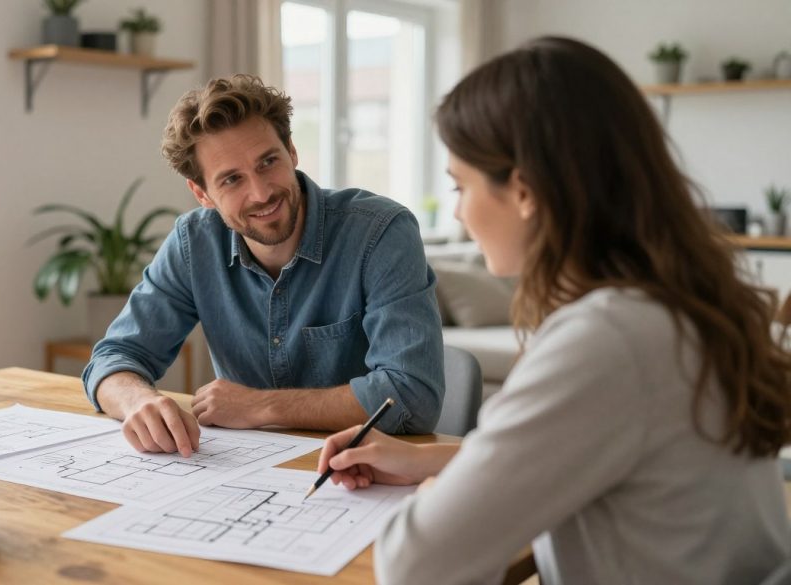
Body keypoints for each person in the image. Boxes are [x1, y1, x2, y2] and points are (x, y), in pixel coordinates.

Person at [317, 37, 791, 584]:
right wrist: (431, 461)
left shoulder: (606, 340)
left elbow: (417, 566)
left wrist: (445, 495)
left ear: (523, 191)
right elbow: (592, 451)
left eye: (460, 185)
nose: (459, 212)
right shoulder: (680, 304)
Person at [81, 74, 445, 457]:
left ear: (292, 151)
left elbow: (413, 396)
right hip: (244, 473)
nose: (261, 192)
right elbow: (112, 359)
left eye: (268, 161)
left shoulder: (381, 233)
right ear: (202, 193)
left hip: (364, 470)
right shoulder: (194, 244)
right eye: (232, 179)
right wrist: (138, 401)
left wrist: (261, 405)